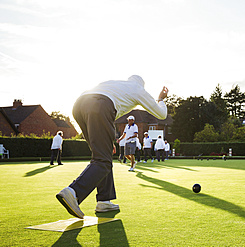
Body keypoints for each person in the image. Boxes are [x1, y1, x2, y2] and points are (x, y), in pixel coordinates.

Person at [56, 75, 168, 218]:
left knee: (103, 156)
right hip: (100, 106)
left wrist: (110, 141)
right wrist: (161, 99)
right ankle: (74, 192)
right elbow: (162, 114)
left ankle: (104, 200)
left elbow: (107, 109)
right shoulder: (138, 89)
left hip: (79, 106)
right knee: (102, 160)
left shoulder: (115, 83)